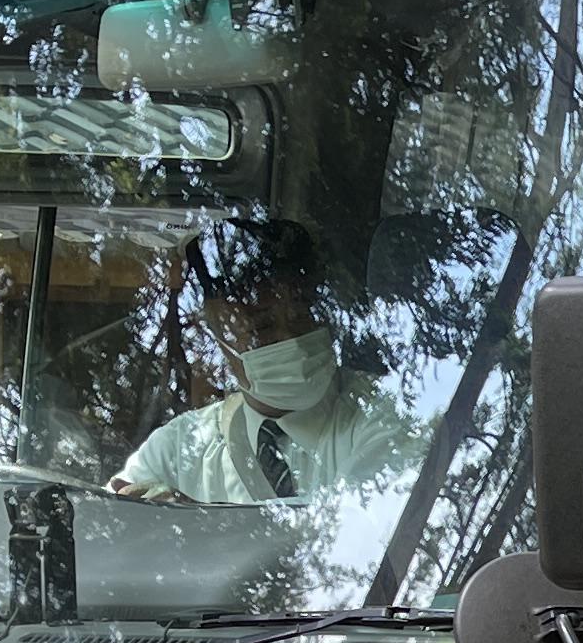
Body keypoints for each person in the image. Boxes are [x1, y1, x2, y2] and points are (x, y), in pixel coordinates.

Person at [111, 216, 416, 506]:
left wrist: (199, 527)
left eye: (302, 316)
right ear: (216, 338)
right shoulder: (179, 449)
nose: (292, 339)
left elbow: (363, 530)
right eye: (263, 327)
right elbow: (113, 515)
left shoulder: (389, 415)